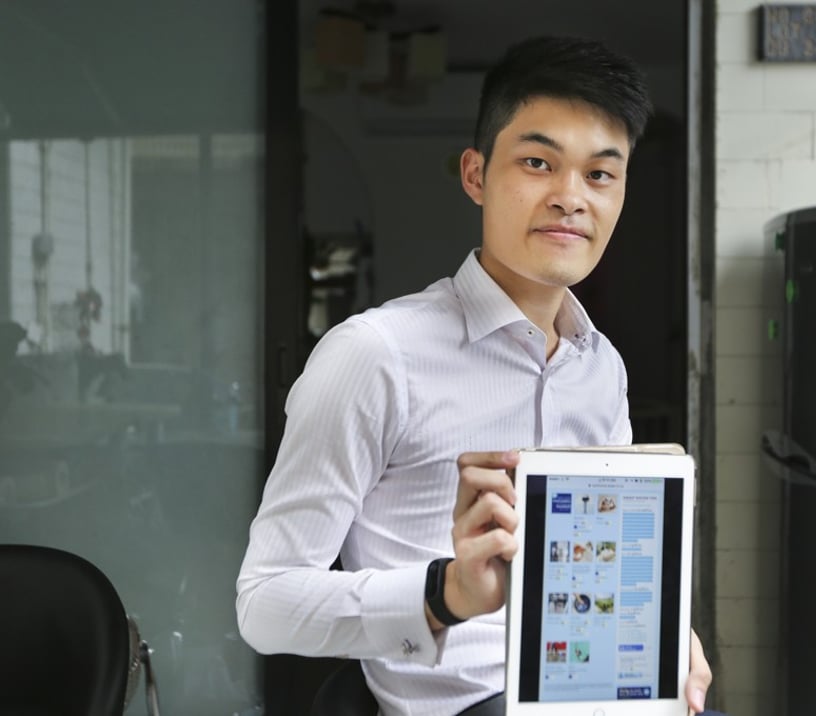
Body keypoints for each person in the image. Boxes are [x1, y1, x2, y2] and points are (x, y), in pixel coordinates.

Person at [237, 35, 714, 716]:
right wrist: (445, 593)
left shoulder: (601, 367)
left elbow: (604, 568)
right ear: (475, 174)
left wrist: (666, 638)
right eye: (537, 162)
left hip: (598, 694)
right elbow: (266, 603)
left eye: (600, 174)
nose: (570, 197)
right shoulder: (375, 355)